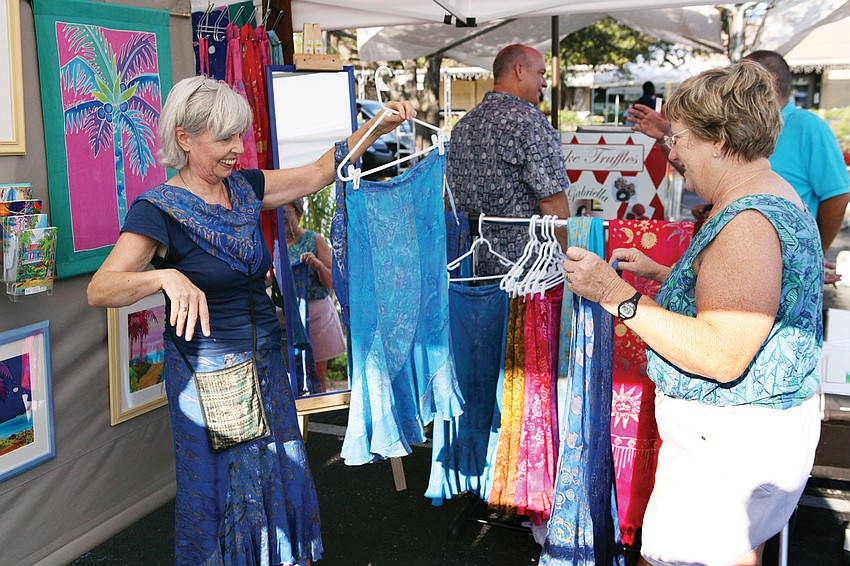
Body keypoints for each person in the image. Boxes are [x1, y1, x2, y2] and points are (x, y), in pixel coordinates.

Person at [87, 76, 414, 565]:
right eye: (224, 139)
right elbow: (101, 288)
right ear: (184, 138)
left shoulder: (245, 187)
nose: (237, 149)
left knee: (274, 472)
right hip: (210, 376)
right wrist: (165, 278)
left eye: (239, 136)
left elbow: (319, 172)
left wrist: (374, 126)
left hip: (266, 366)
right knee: (225, 492)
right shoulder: (157, 210)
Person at [564, 61, 822, 565]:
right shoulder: (766, 194)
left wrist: (613, 293)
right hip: (749, 439)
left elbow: (723, 352)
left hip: (728, 446)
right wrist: (666, 273)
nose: (673, 152)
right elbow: (750, 295)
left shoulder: (746, 221)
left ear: (721, 139)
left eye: (678, 138)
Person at [627, 51, 850, 254]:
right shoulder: (757, 199)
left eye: (740, 74)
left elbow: (837, 195)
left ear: (768, 81)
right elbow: (708, 170)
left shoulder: (808, 126)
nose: (731, 81)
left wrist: (816, 251)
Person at [446, 44, 570, 275]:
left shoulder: (462, 125)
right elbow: (551, 200)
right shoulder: (529, 122)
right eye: (541, 74)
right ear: (520, 70)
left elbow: (450, 199)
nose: (544, 83)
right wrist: (569, 256)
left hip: (468, 267)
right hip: (525, 270)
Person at [284, 198, 345, 389]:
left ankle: (317, 419)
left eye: (287, 216)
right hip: (287, 318)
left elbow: (334, 282)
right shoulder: (272, 244)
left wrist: (317, 265)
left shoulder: (314, 239)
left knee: (316, 379)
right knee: (290, 379)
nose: (283, 219)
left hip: (316, 316)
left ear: (299, 214)